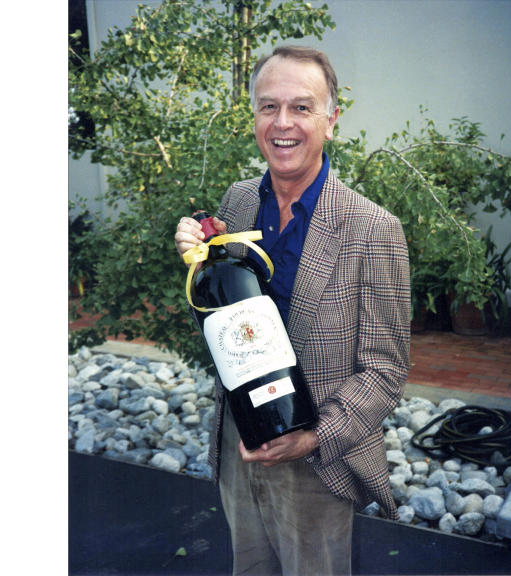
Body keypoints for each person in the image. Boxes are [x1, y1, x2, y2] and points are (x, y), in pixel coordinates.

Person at [174, 45, 410, 576]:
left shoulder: (372, 229)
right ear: (254, 116)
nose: (283, 123)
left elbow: (386, 370)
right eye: (268, 106)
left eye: (302, 107)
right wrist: (195, 261)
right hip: (240, 441)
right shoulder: (236, 203)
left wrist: (313, 437)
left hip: (316, 458)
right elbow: (223, 316)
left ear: (332, 121)